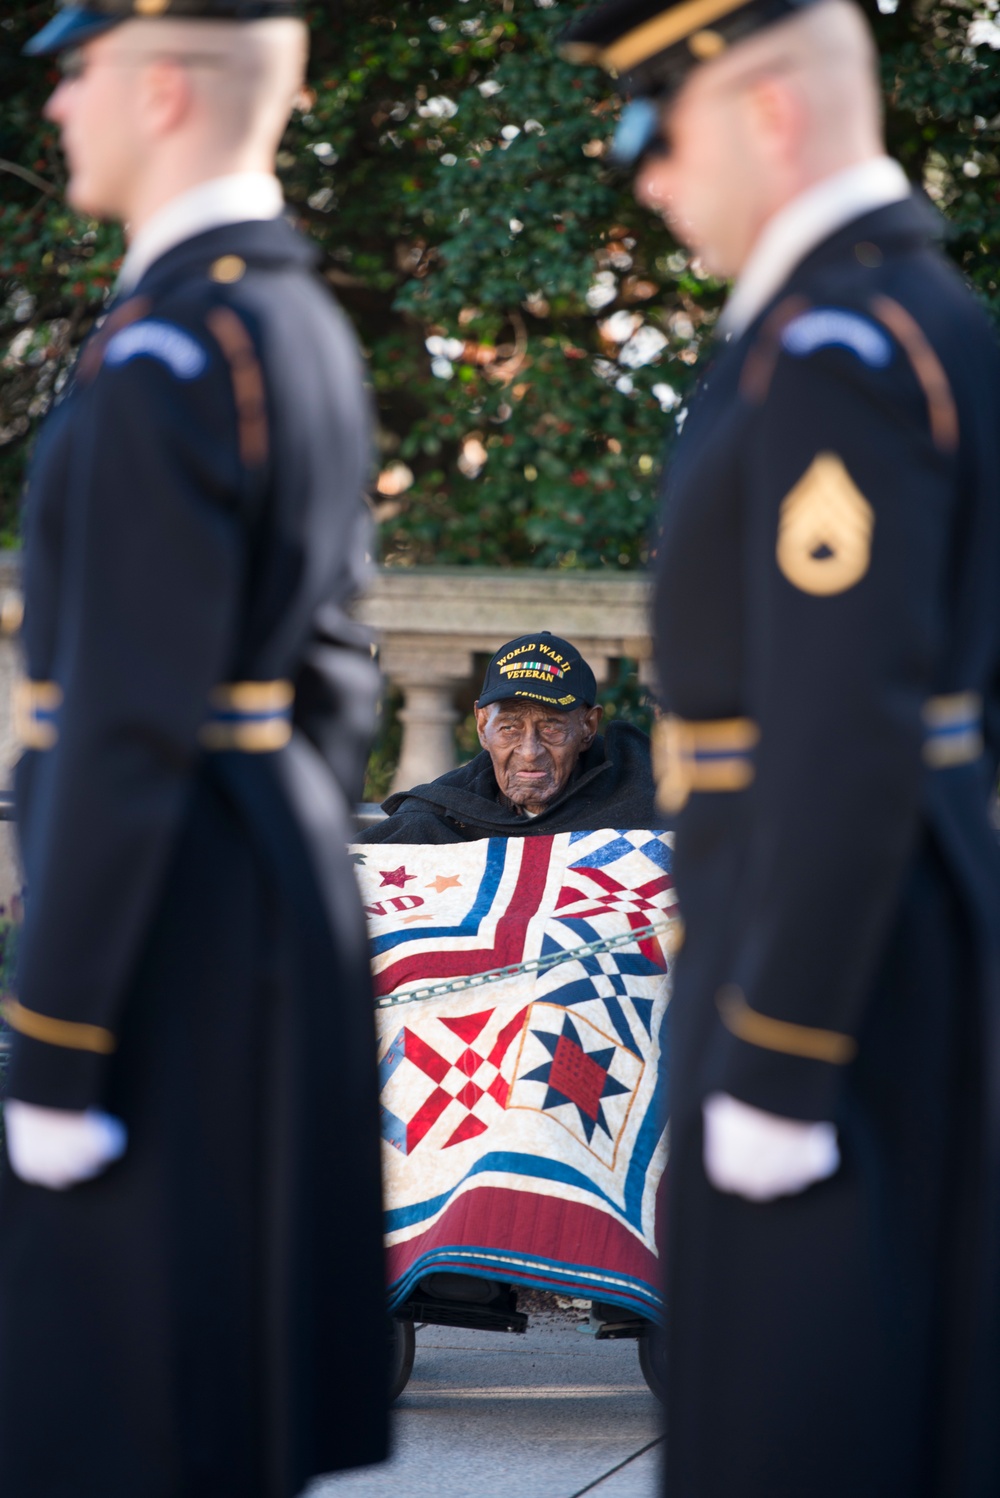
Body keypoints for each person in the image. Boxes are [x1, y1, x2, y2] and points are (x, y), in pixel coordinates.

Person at [562, 2, 1000, 1496]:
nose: (649, 181)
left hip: (834, 988)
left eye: (660, 134)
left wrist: (783, 1052)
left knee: (801, 1430)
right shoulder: (890, 315)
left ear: (763, 111)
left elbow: (846, 726)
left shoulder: (835, 346)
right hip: (872, 955)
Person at [0, 5, 389, 1496]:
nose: (54, 111)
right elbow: (334, 687)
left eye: (72, 73)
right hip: (259, 900)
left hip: (164, 937)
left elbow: (120, 728)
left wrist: (58, 1032)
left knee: (122, 1416)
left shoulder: (170, 349)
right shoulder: (285, 317)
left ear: (162, 89)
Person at [359, 631, 661, 843]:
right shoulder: (438, 818)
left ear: (588, 727)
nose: (529, 752)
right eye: (509, 728)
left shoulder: (643, 798)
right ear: (482, 726)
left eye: (551, 727)